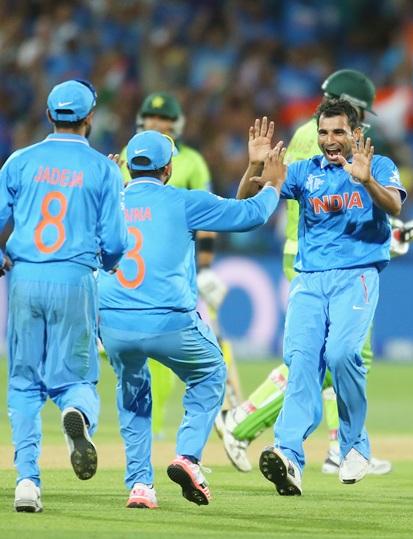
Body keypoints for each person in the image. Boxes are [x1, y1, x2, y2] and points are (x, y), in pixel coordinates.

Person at [216, 69, 392, 477]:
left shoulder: (327, 143)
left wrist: (377, 221)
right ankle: (275, 432)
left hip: (332, 259)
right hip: (316, 262)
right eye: (360, 112)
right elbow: (275, 194)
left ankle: (341, 444)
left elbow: (364, 196)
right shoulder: (315, 142)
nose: (336, 136)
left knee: (335, 356)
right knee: (324, 357)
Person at [98, 126, 285, 509]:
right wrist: (273, 186)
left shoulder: (108, 200)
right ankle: (187, 457)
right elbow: (249, 215)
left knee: (133, 396)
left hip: (113, 322)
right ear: (168, 168)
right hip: (168, 321)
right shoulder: (182, 201)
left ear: (130, 168)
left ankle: (140, 486)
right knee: (211, 372)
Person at [0, 79, 127, 512]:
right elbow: (115, 240)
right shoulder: (102, 169)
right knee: (77, 377)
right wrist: (107, 264)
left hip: (25, 278)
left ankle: (27, 482)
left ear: (50, 115)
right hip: (74, 279)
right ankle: (76, 412)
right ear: (90, 118)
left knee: (22, 381)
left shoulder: (20, 161)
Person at [118, 92, 236, 440]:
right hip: (140, 273)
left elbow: (208, 218)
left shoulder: (193, 163)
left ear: (176, 124)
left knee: (166, 359)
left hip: (179, 275)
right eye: (151, 119)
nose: (156, 124)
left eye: (163, 119)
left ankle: (153, 440)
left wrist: (206, 267)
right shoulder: (131, 154)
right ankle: (176, 439)